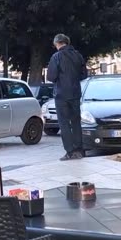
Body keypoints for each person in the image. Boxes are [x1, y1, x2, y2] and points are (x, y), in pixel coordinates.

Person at [47, 33, 88, 161]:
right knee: (76, 122)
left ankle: (70, 152)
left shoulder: (56, 57)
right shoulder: (78, 55)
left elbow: (51, 77)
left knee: (64, 123)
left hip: (61, 94)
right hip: (75, 93)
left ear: (57, 43)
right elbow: (84, 75)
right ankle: (79, 150)